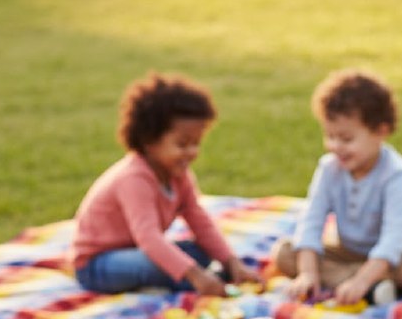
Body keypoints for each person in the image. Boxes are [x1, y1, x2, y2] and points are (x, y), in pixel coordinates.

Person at [70, 72, 261, 295]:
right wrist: (196, 275)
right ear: (150, 141)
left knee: (201, 250)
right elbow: (149, 238)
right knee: (160, 262)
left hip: (137, 251)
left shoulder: (179, 174)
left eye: (196, 143)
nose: (192, 152)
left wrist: (231, 261)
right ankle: (199, 283)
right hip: (97, 265)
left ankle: (209, 276)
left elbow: (200, 221)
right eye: (182, 144)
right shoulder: (134, 178)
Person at [272, 69, 402, 306]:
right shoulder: (329, 169)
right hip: (348, 252)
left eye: (346, 139)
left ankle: (361, 282)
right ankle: (371, 287)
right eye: (329, 136)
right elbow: (311, 221)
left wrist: (362, 280)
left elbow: (393, 240)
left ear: (381, 132)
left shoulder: (397, 175)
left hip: (394, 258)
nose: (336, 146)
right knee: (284, 253)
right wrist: (308, 273)